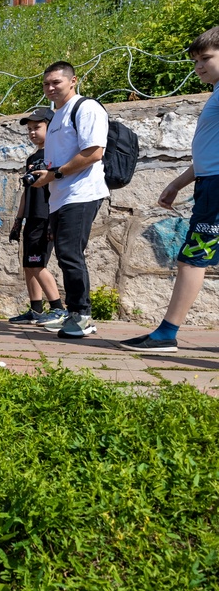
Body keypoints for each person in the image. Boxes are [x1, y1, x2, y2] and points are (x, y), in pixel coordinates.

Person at [121, 27, 219, 353]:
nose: (199, 66)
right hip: (209, 182)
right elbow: (210, 152)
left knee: (192, 258)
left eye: (206, 58)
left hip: (217, 187)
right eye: (195, 61)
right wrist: (178, 183)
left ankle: (166, 334)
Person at [29, 61, 109, 339]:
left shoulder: (85, 108)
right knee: (66, 255)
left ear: (73, 81)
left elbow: (94, 152)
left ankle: (81, 316)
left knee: (70, 254)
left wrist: (55, 174)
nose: (50, 88)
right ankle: (71, 314)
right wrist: (49, 176)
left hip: (82, 193)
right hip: (61, 197)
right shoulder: (56, 116)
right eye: (46, 84)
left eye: (56, 83)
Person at [7, 107, 68, 325]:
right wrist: (18, 220)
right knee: (28, 264)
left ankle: (59, 309)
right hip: (32, 217)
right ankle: (36, 310)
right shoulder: (33, 157)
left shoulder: (56, 154)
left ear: (51, 127)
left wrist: (53, 220)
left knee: (37, 263)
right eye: (29, 129)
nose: (32, 132)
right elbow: (27, 191)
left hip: (45, 217)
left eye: (37, 127)